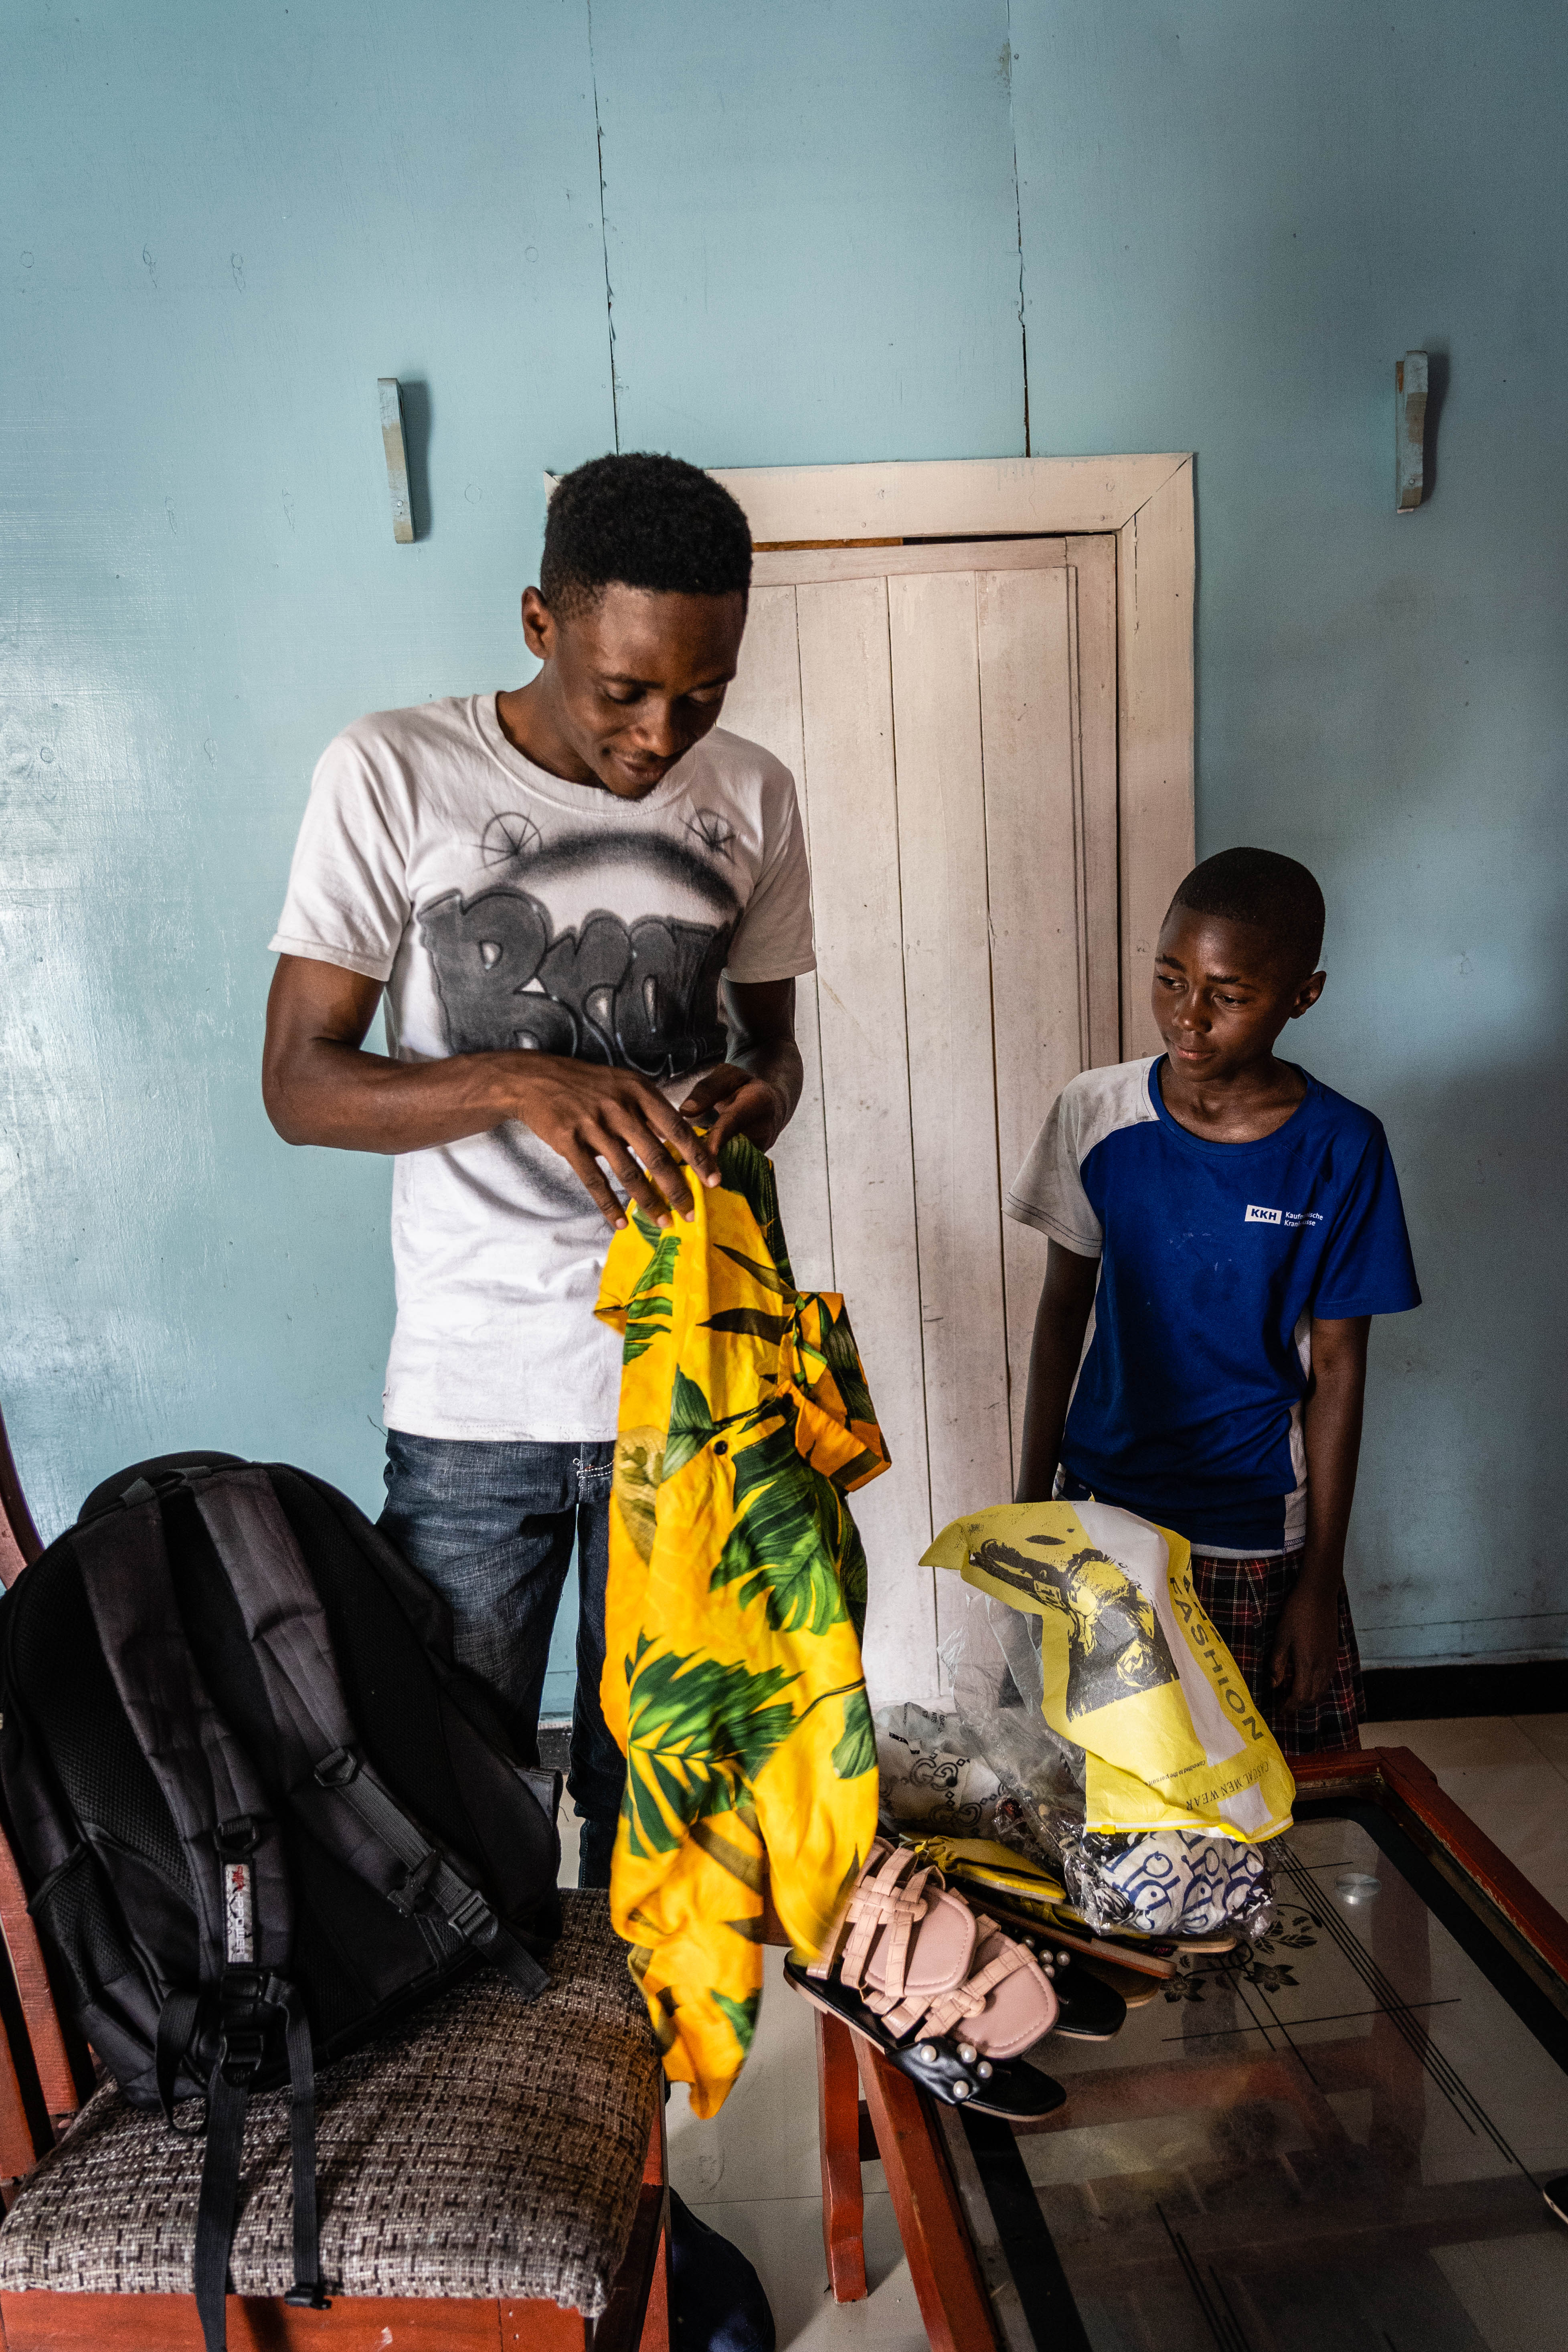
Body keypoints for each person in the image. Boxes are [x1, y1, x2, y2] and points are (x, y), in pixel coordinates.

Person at [262, 453, 813, 1881]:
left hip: (690, 1377)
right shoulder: (392, 769)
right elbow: (300, 1084)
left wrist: (749, 1104)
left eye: (703, 691)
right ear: (537, 621)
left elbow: (779, 1052)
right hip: (476, 1399)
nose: (659, 733)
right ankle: (482, 2097)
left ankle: (625, 2093)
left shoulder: (750, 793)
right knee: (456, 1802)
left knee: (664, 1815)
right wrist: (518, 1077)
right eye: (625, 688)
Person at [1007, 847, 1420, 1753]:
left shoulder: (1342, 1148)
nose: (1187, 1019)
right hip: (1105, 1513)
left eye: (1228, 996)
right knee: (1096, 1793)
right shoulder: (1097, 1112)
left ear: (1301, 996)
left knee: (1250, 1795)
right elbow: (1058, 1319)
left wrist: (1318, 1584)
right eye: (1169, 979)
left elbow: (1340, 1372)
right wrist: (1029, 1507)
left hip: (1250, 1532)